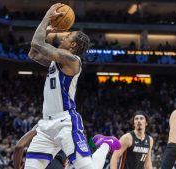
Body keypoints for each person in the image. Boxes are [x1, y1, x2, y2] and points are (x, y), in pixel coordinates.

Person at [24, 3, 121, 169]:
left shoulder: (72, 61)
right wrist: (46, 31)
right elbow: (33, 52)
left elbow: (37, 43)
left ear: (73, 45)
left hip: (65, 122)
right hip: (46, 125)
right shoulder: (56, 61)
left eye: (68, 37)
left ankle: (105, 145)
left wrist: (47, 16)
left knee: (86, 167)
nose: (63, 37)